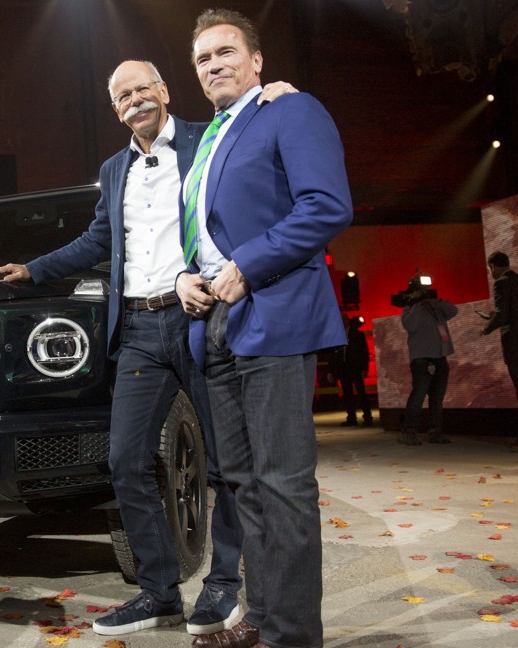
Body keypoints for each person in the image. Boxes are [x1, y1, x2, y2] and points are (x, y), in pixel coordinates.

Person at [0, 60, 296, 638]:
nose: (135, 101)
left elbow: (254, 162)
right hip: (137, 330)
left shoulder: (209, 139)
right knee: (125, 461)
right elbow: (98, 240)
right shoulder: (114, 169)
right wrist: (31, 269)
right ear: (116, 109)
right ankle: (158, 592)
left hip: (202, 319)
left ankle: (223, 584)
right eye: (122, 96)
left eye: (142, 89)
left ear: (164, 91)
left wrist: (272, 98)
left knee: (225, 464)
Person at [175, 9, 352, 648]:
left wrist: (249, 265)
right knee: (243, 486)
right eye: (202, 59)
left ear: (256, 61)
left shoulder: (289, 111)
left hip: (273, 311)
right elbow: (203, 234)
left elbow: (326, 205)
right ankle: (262, 616)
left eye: (226, 52)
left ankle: (294, 635)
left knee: (283, 485)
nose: (214, 64)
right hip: (215, 321)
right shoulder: (207, 142)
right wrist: (184, 279)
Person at [398, 279, 456, 446]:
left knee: (437, 398)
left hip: (440, 356)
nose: (425, 292)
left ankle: (435, 432)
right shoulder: (409, 309)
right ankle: (409, 432)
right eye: (422, 290)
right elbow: (410, 326)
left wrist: (435, 300)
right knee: (418, 396)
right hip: (422, 359)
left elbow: (453, 311)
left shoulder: (435, 307)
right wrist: (416, 302)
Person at [480, 251, 518, 448]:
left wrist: (487, 328)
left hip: (515, 346)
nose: (491, 273)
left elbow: (504, 316)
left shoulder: (501, 283)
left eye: (490, 269)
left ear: (494, 266)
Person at [329, 315, 374, 427]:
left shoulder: (357, 335)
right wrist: (331, 370)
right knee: (347, 394)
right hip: (343, 369)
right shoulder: (337, 336)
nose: (343, 322)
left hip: (355, 367)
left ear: (348, 321)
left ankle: (367, 417)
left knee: (361, 393)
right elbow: (333, 355)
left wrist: (364, 368)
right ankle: (351, 418)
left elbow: (364, 352)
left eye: (344, 320)